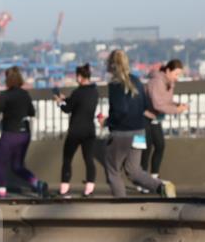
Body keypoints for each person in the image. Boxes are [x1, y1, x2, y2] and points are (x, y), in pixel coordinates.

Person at [103, 50, 176, 199]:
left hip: (122, 133)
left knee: (113, 171)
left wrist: (107, 121)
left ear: (111, 65)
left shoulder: (115, 84)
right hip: (140, 133)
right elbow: (145, 105)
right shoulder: (136, 81)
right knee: (134, 170)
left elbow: (120, 110)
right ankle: (161, 186)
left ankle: (121, 206)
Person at [0, 66, 48, 198]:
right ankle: (38, 184)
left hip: (10, 134)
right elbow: (32, 112)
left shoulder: (5, 95)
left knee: (0, 162)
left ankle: (1, 193)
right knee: (17, 166)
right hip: (25, 133)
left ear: (7, 79)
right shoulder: (25, 94)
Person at [54, 64, 98, 197]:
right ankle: (89, 189)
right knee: (89, 159)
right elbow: (79, 103)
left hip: (75, 131)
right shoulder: (94, 91)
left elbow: (68, 109)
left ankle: (64, 189)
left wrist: (60, 102)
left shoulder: (78, 92)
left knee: (67, 159)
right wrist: (66, 99)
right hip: (89, 130)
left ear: (80, 77)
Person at [141, 59, 189, 180]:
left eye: (179, 75)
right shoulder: (157, 81)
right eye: (176, 74)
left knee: (160, 145)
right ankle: (142, 179)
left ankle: (154, 177)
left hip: (155, 117)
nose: (177, 77)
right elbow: (158, 104)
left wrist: (177, 104)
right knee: (146, 148)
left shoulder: (169, 83)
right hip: (144, 116)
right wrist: (176, 110)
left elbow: (166, 101)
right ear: (168, 71)